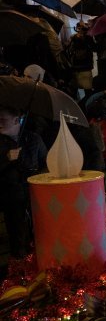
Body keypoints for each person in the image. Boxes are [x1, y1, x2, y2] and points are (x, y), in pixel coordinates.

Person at [0, 107, 46, 259]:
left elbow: (45, 164)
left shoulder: (33, 139)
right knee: (17, 237)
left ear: (16, 120)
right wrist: (6, 159)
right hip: (11, 199)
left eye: (2, 120)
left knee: (38, 234)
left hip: (34, 196)